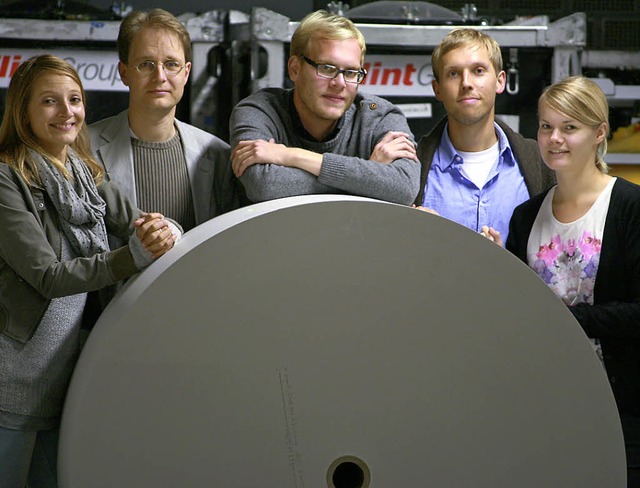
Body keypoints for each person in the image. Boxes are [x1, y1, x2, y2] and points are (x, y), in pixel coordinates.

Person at [0, 55, 179, 487]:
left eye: (75, 100)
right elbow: (48, 276)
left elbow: (138, 220)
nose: (67, 113)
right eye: (49, 101)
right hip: (12, 379)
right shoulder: (7, 178)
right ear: (23, 109)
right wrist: (133, 255)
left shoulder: (87, 174)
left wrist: (164, 230)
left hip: (64, 379)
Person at [504, 76, 640, 486]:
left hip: (621, 407)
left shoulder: (630, 208)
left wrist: (567, 321)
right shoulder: (526, 216)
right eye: (546, 126)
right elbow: (513, 314)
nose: (554, 138)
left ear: (599, 133)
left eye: (569, 127)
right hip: (544, 401)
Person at [229, 9, 420, 205]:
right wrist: (368, 177)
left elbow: (404, 188)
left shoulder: (380, 115)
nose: (340, 83)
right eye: (327, 68)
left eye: (351, 72)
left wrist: (292, 156)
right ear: (295, 69)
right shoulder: (258, 110)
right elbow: (263, 185)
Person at [90, 8, 237, 234]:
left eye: (171, 64)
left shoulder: (218, 156)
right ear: (124, 72)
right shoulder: (82, 149)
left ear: (186, 73)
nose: (160, 76)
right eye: (146, 64)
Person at [414, 28, 554, 242]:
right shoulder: (412, 168)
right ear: (437, 89)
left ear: (500, 81)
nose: (466, 83)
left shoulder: (540, 163)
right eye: (453, 73)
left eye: (478, 70)